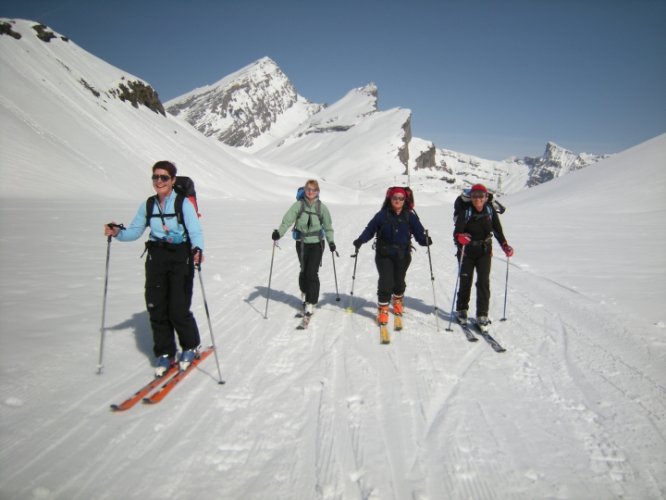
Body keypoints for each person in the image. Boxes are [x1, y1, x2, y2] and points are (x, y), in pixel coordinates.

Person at [103, 161, 204, 377]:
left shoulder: (183, 204)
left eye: (164, 177)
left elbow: (195, 231)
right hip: (156, 257)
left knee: (178, 307)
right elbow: (134, 231)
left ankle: (190, 346)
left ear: (173, 180)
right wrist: (117, 233)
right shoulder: (148, 205)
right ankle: (165, 352)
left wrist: (198, 249)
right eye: (156, 177)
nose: (159, 181)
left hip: (180, 257)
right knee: (156, 306)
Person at [352, 187, 431, 325]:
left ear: (405, 200)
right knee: (386, 281)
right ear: (390, 199)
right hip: (384, 254)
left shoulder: (409, 216)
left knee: (399, 281)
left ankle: (398, 300)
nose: (398, 200)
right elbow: (370, 229)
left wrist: (424, 240)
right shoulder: (382, 215)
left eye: (401, 198)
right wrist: (360, 240)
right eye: (395, 198)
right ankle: (383, 309)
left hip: (403, 254)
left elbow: (419, 232)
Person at [271, 180, 335, 318]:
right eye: (308, 189)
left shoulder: (321, 208)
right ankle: (305, 292)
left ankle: (311, 303)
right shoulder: (298, 205)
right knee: (304, 270)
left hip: (317, 243)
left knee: (312, 272)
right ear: (305, 190)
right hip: (302, 243)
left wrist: (331, 242)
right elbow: (287, 221)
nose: (310, 192)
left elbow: (328, 227)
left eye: (313, 190)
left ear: (317, 191)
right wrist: (279, 233)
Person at [453, 183, 513, 329]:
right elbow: (457, 232)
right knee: (466, 281)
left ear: (486, 197)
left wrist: (505, 245)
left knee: (483, 282)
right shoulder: (465, 211)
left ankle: (482, 314)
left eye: (481, 196)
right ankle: (461, 310)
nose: (478, 199)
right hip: (466, 252)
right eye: (474, 196)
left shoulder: (489, 210)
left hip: (484, 251)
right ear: (471, 197)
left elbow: (497, 230)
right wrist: (460, 238)